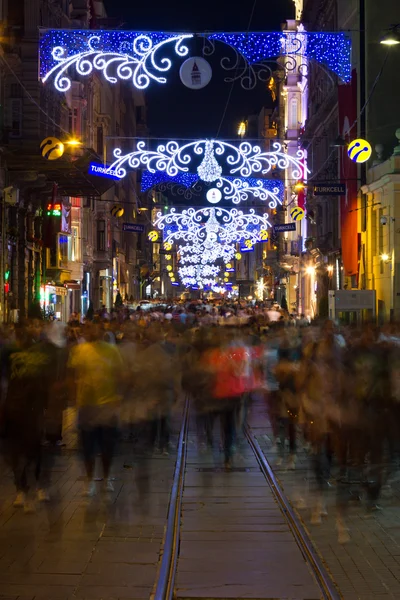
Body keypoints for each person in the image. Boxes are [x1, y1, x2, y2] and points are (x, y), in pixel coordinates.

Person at [68, 323, 124, 496]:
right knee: (87, 445)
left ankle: (106, 478)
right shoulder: (79, 350)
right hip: (87, 404)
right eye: (89, 329)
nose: (92, 331)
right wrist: (73, 398)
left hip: (108, 403)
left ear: (101, 332)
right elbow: (72, 374)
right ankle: (90, 479)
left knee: (108, 445)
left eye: (95, 328)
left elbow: (120, 374)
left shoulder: (112, 350)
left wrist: (119, 396)